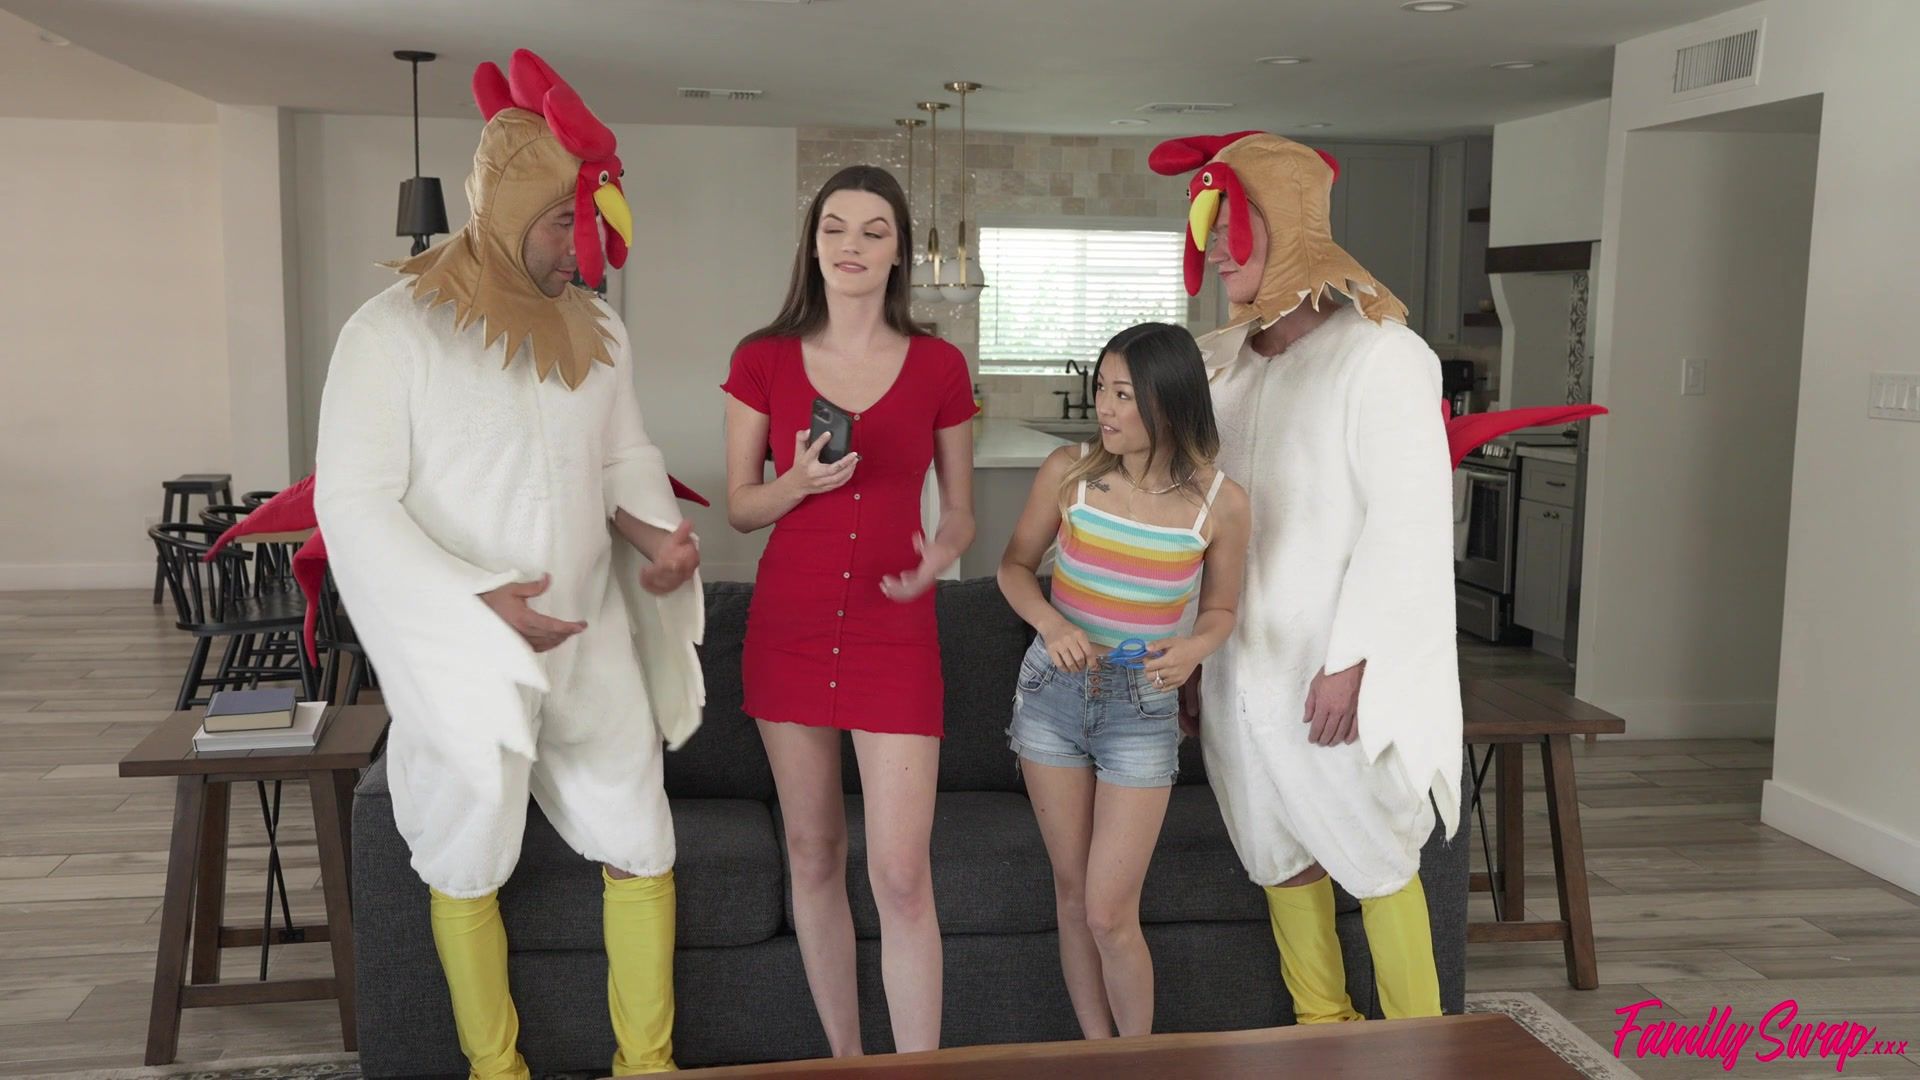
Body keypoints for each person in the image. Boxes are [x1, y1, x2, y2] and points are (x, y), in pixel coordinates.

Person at [314, 50, 702, 1077]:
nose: (584, 245)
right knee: (467, 853)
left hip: (589, 635)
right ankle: (497, 1071)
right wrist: (473, 599)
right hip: (466, 649)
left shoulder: (599, 326)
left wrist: (660, 538)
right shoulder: (390, 334)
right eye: (562, 221)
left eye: (587, 219)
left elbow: (622, 457)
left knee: (642, 840)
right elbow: (353, 502)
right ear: (510, 208)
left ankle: (647, 1066)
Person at [1147, 130, 1461, 1023]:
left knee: (1374, 848)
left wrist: (1356, 660)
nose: (1214, 251)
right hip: (1239, 663)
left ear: (1282, 226)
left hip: (1332, 664)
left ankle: (1418, 1047)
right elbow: (1203, 523)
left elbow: (1406, 525)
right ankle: (1322, 1033)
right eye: (1205, 231)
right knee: (1274, 848)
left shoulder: (1383, 356)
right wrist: (1196, 656)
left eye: (1229, 227)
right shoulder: (1225, 370)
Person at [720, 164, 976, 1055]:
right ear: (814, 243)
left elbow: (962, 509)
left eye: (874, 230)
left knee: (901, 874)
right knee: (813, 851)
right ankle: (847, 1061)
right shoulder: (762, 358)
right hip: (788, 627)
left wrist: (941, 551)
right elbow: (740, 506)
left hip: (893, 631)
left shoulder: (940, 365)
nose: (852, 246)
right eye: (835, 228)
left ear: (901, 250)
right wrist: (795, 482)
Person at [996, 322, 1247, 1038]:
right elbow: (1014, 567)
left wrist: (1195, 648)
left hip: (1142, 707)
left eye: (1123, 394)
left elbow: (1222, 610)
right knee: (1074, 896)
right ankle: (1096, 1054)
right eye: (1100, 389)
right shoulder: (1069, 471)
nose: (1102, 408)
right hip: (1052, 696)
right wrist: (1051, 623)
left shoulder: (1221, 504)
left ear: (1169, 401)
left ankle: (1139, 1060)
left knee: (1109, 910)